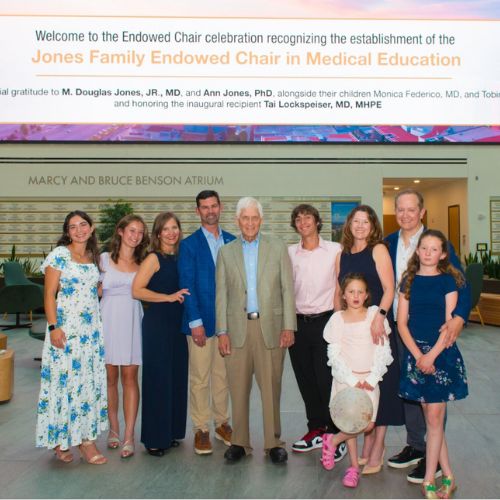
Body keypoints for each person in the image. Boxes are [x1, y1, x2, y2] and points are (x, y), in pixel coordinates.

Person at [386, 189, 471, 484]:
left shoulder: (439, 243)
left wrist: (459, 318)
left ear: (421, 212)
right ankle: (417, 446)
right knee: (412, 394)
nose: (405, 215)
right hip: (404, 328)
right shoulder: (389, 243)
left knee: (434, 404)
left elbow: (462, 284)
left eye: (411, 209)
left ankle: (432, 463)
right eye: (400, 209)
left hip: (437, 336)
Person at [216, 197, 296, 464]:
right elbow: (222, 295)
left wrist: (288, 326)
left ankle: (273, 443)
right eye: (245, 218)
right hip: (237, 329)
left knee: (271, 387)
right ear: (237, 221)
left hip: (271, 329)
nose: (249, 223)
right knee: (237, 388)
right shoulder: (226, 252)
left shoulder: (277, 247)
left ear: (261, 220)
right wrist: (222, 331)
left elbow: (287, 288)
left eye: (254, 218)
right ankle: (239, 442)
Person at [397, 229, 468, 499]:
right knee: (431, 419)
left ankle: (430, 478)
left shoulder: (449, 281)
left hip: (441, 354)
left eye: (433, 249)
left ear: (443, 254)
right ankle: (449, 476)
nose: (428, 253)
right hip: (417, 355)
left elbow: (450, 325)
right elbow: (402, 323)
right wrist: (418, 356)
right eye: (423, 248)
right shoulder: (409, 280)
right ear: (418, 252)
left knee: (435, 417)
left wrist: (432, 356)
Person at [334, 205, 404, 474]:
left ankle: (377, 446)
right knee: (357, 386)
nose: (360, 226)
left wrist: (380, 317)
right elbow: (337, 292)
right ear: (349, 225)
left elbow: (390, 288)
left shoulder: (378, 250)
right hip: (352, 330)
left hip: (375, 326)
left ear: (373, 226)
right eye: (356, 221)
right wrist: (337, 324)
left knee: (381, 387)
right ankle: (365, 442)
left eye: (366, 221)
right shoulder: (342, 255)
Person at [36, 210, 108, 465]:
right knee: (65, 384)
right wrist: (54, 326)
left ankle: (78, 437)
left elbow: (92, 290)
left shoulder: (92, 256)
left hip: (90, 333)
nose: (79, 230)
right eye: (73, 226)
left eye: (83, 224)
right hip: (66, 331)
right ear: (67, 231)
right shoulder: (60, 255)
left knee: (86, 384)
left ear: (91, 228)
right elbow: (49, 295)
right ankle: (77, 442)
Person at [287, 204, 347, 462]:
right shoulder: (289, 253)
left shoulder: (335, 249)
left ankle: (335, 433)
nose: (303, 222)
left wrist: (339, 325)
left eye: (307, 217)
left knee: (327, 381)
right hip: (298, 324)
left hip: (326, 322)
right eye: (298, 219)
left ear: (317, 222)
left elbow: (340, 287)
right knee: (306, 380)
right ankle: (315, 429)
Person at [178, 190, 235, 455]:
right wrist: (195, 322)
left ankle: (223, 423)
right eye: (204, 207)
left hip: (227, 325)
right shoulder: (189, 245)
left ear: (220, 208)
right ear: (197, 211)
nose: (210, 211)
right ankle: (201, 429)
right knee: (200, 378)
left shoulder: (233, 242)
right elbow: (187, 286)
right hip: (200, 323)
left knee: (222, 377)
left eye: (214, 206)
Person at [323, 273, 393, 488]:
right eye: (351, 291)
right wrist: (352, 380)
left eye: (360, 292)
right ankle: (353, 468)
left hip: (370, 379)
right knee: (350, 422)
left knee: (368, 424)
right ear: (343, 295)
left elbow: (383, 350)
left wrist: (372, 378)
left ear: (366, 295)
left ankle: (333, 441)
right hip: (346, 380)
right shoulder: (337, 319)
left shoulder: (374, 315)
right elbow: (333, 355)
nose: (355, 295)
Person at [132, 212, 190, 457]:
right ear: (157, 234)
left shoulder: (180, 257)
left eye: (174, 227)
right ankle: (155, 439)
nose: (171, 232)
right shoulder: (153, 259)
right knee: (158, 380)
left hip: (177, 324)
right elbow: (137, 290)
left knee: (176, 378)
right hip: (158, 324)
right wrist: (166, 297)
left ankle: (171, 431)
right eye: (165, 229)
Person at [99, 214, 149, 459]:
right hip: (107, 319)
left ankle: (129, 435)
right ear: (120, 231)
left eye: (140, 232)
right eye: (131, 230)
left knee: (130, 378)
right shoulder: (103, 260)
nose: (135, 235)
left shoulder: (144, 262)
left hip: (131, 320)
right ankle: (113, 430)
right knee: (110, 377)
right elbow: (92, 291)